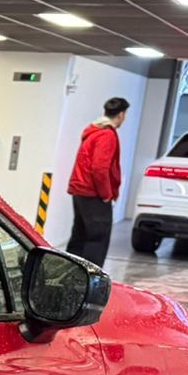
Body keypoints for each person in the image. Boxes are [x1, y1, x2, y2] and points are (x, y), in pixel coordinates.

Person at [66, 98, 129, 264]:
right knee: (97, 238)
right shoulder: (107, 135)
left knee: (79, 235)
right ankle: (91, 280)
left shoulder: (93, 131)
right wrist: (106, 194)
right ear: (121, 115)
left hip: (80, 190)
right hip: (93, 193)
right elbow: (99, 168)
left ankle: (69, 274)